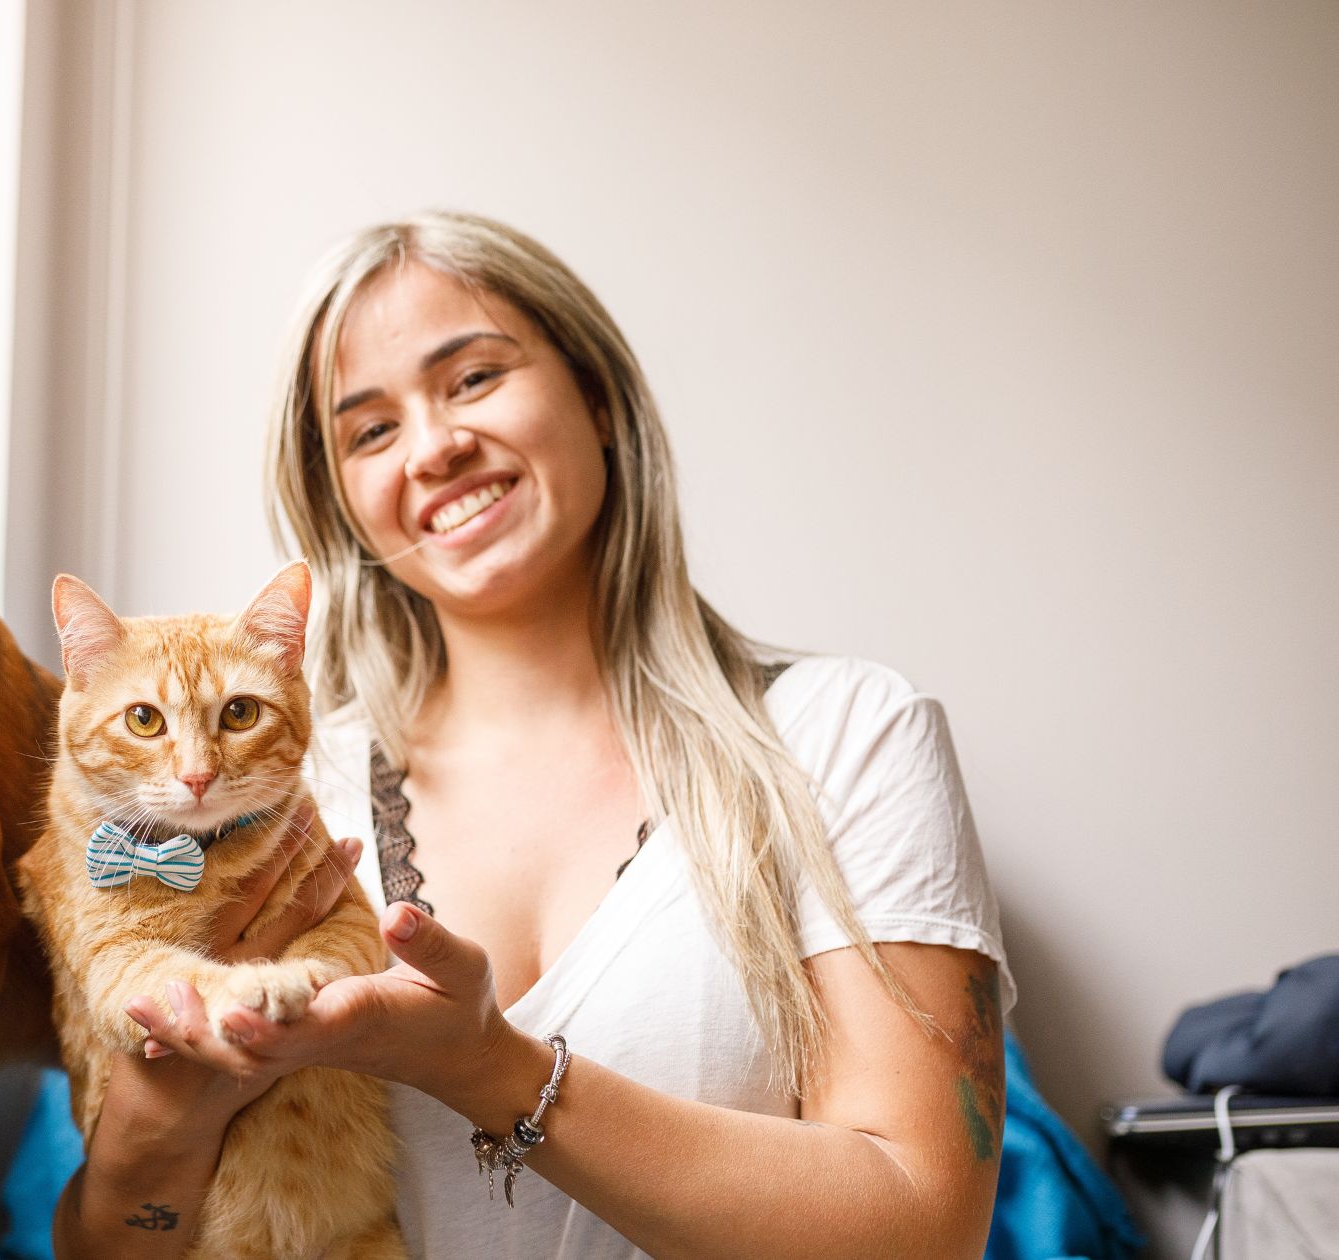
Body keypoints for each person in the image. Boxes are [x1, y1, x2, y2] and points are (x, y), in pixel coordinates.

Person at [51, 212, 1012, 1259]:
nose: (434, 446)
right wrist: (168, 1108)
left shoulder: (846, 737)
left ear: (595, 395)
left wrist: (484, 1065)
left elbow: (922, 1230)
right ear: (344, 503)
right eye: (369, 430)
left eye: (471, 379)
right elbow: (117, 1245)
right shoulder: (263, 783)